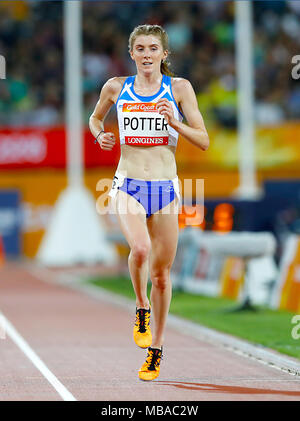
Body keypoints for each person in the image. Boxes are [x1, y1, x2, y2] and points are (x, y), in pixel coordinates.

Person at [89, 24, 209, 381]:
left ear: (164, 54)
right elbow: (95, 117)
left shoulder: (180, 89)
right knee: (139, 249)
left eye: (153, 48)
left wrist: (176, 122)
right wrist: (100, 136)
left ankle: (155, 349)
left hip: (166, 188)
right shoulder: (116, 87)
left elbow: (203, 140)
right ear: (131, 53)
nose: (146, 54)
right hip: (128, 183)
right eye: (139, 48)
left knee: (161, 274)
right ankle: (140, 306)